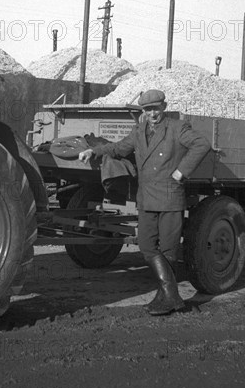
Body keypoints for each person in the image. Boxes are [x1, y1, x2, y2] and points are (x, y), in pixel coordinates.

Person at [78, 89, 211, 316]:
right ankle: (172, 296)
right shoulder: (139, 130)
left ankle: (165, 297)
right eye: (147, 110)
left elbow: (202, 144)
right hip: (147, 198)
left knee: (168, 251)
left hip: (170, 198)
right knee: (147, 247)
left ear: (164, 107)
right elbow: (119, 148)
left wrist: (182, 171)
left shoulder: (177, 128)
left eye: (155, 108)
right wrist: (94, 150)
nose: (152, 113)